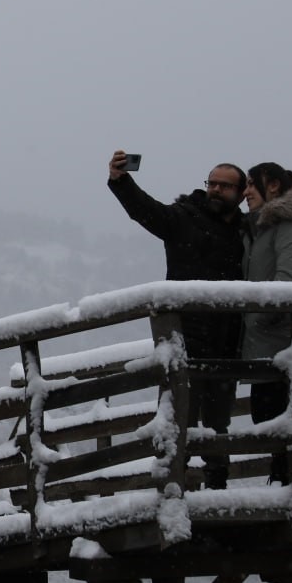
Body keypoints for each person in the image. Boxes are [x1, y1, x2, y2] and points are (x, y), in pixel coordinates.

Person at [107, 151, 247, 488]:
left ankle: (217, 487)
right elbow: (147, 211)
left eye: (225, 186)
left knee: (217, 419)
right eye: (212, 183)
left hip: (228, 336)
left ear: (241, 194)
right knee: (179, 413)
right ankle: (173, 488)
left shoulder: (247, 229)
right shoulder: (184, 217)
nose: (216, 189)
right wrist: (121, 180)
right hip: (185, 332)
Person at [239, 162, 292, 483]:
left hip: (278, 344)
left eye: (251, 184)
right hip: (263, 344)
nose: (246, 192)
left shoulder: (289, 226)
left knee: (279, 423)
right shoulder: (263, 228)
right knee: (269, 422)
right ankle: (286, 488)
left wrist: (257, 319)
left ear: (272, 186)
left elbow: (288, 281)